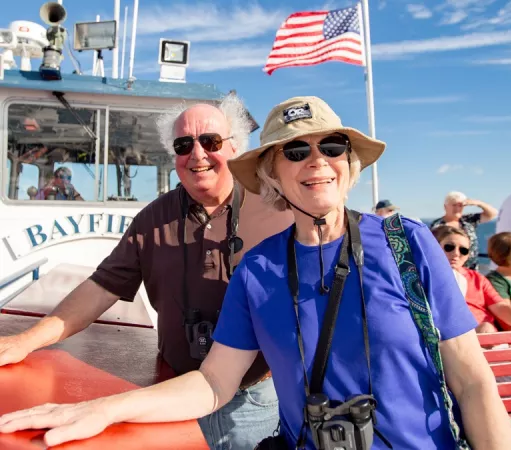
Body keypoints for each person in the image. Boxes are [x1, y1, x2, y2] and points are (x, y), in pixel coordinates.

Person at [0, 96, 511, 450]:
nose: (316, 160)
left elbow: (473, 383)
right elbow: (211, 380)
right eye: (296, 151)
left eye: (331, 146)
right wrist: (103, 406)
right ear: (273, 173)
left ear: (349, 162)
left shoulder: (409, 243)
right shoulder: (260, 267)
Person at [0, 95, 294, 450]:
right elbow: (100, 288)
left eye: (211, 141)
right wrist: (25, 341)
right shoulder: (153, 219)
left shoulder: (279, 213)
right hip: (171, 391)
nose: (197, 154)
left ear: (235, 147)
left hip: (253, 399)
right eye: (184, 144)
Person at [432, 225, 511, 335]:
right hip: (460, 338)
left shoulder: (477, 279)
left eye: (463, 250)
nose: (456, 253)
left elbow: (501, 307)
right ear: (434, 247)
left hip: (488, 337)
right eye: (449, 247)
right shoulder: (427, 279)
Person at [429, 191, 497, 271]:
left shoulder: (468, 220)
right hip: (447, 269)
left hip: (471, 270)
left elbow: (492, 214)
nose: (457, 208)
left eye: (460, 205)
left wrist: (477, 203)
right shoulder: (437, 225)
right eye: (454, 205)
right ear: (445, 206)